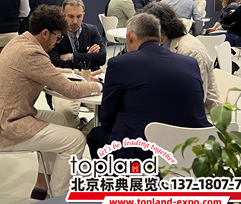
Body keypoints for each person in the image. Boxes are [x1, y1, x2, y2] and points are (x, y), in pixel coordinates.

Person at [0, 5, 102, 200]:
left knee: (59, 120)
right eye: (57, 37)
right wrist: (100, 85)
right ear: (45, 33)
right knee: (76, 139)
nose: (57, 41)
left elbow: (49, 71)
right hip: (4, 127)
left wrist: (76, 73)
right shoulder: (33, 54)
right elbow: (70, 90)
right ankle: (58, 199)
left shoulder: (20, 41)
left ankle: (43, 185)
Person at [87, 14, 210, 160]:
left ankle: (115, 174)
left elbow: (107, 116)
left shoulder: (120, 64)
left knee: (95, 135)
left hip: (142, 151)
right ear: (160, 37)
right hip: (191, 147)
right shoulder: (190, 63)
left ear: (130, 36)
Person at [141, 2, 221, 115]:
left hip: (200, 113)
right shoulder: (164, 44)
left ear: (161, 31)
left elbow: (196, 98)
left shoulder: (191, 52)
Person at [48, 0, 106, 129]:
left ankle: (83, 134)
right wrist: (88, 56)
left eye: (79, 16)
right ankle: (81, 131)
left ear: (83, 15)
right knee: (65, 115)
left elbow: (102, 57)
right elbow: (55, 62)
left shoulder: (91, 30)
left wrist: (70, 57)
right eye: (70, 16)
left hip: (92, 81)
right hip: (64, 83)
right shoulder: (55, 33)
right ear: (62, 15)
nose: (75, 21)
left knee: (111, 111)